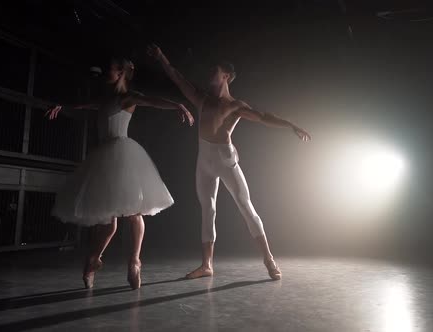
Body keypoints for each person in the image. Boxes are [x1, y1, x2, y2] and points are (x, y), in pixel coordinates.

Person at [147, 44, 311, 280]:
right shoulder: (202, 99)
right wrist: (161, 56)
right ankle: (207, 265)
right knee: (208, 209)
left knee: (246, 207)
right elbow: (177, 77)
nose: (209, 74)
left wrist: (291, 125)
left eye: (214, 71)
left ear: (226, 76)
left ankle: (269, 260)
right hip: (204, 162)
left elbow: (264, 117)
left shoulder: (235, 105)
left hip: (226, 160)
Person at [46, 58, 194, 290]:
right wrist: (63, 106)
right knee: (108, 223)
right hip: (104, 158)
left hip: (124, 155)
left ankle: (134, 260)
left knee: (135, 212)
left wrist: (177, 105)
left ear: (122, 73)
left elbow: (152, 101)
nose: (107, 71)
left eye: (111, 68)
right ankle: (93, 259)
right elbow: (87, 105)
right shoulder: (105, 97)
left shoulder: (129, 97)